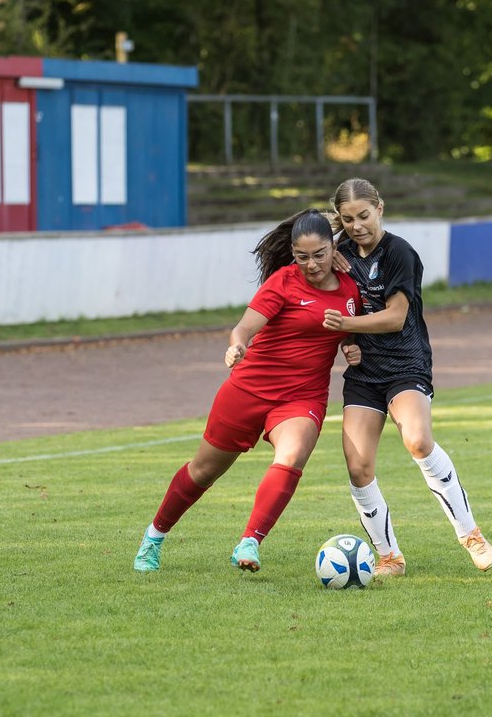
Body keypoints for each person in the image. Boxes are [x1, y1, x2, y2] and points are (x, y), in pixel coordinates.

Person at [133, 209, 362, 573]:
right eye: (302, 256)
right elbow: (243, 328)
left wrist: (352, 347)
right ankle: (153, 538)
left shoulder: (351, 289)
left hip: (302, 397)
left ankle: (250, 541)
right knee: (203, 472)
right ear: (292, 253)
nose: (312, 264)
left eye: (319, 254)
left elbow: (349, 332)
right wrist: (237, 345)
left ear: (334, 248)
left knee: (292, 455)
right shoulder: (283, 282)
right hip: (249, 389)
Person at [322, 177, 492, 576]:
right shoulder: (340, 253)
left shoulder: (400, 252)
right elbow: (332, 295)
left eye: (364, 215)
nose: (357, 225)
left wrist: (346, 324)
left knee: (418, 441)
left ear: (379, 208)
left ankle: (470, 534)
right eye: (347, 219)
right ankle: (389, 557)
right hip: (364, 372)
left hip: (405, 363)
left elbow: (395, 317)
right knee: (357, 466)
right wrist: (346, 341)